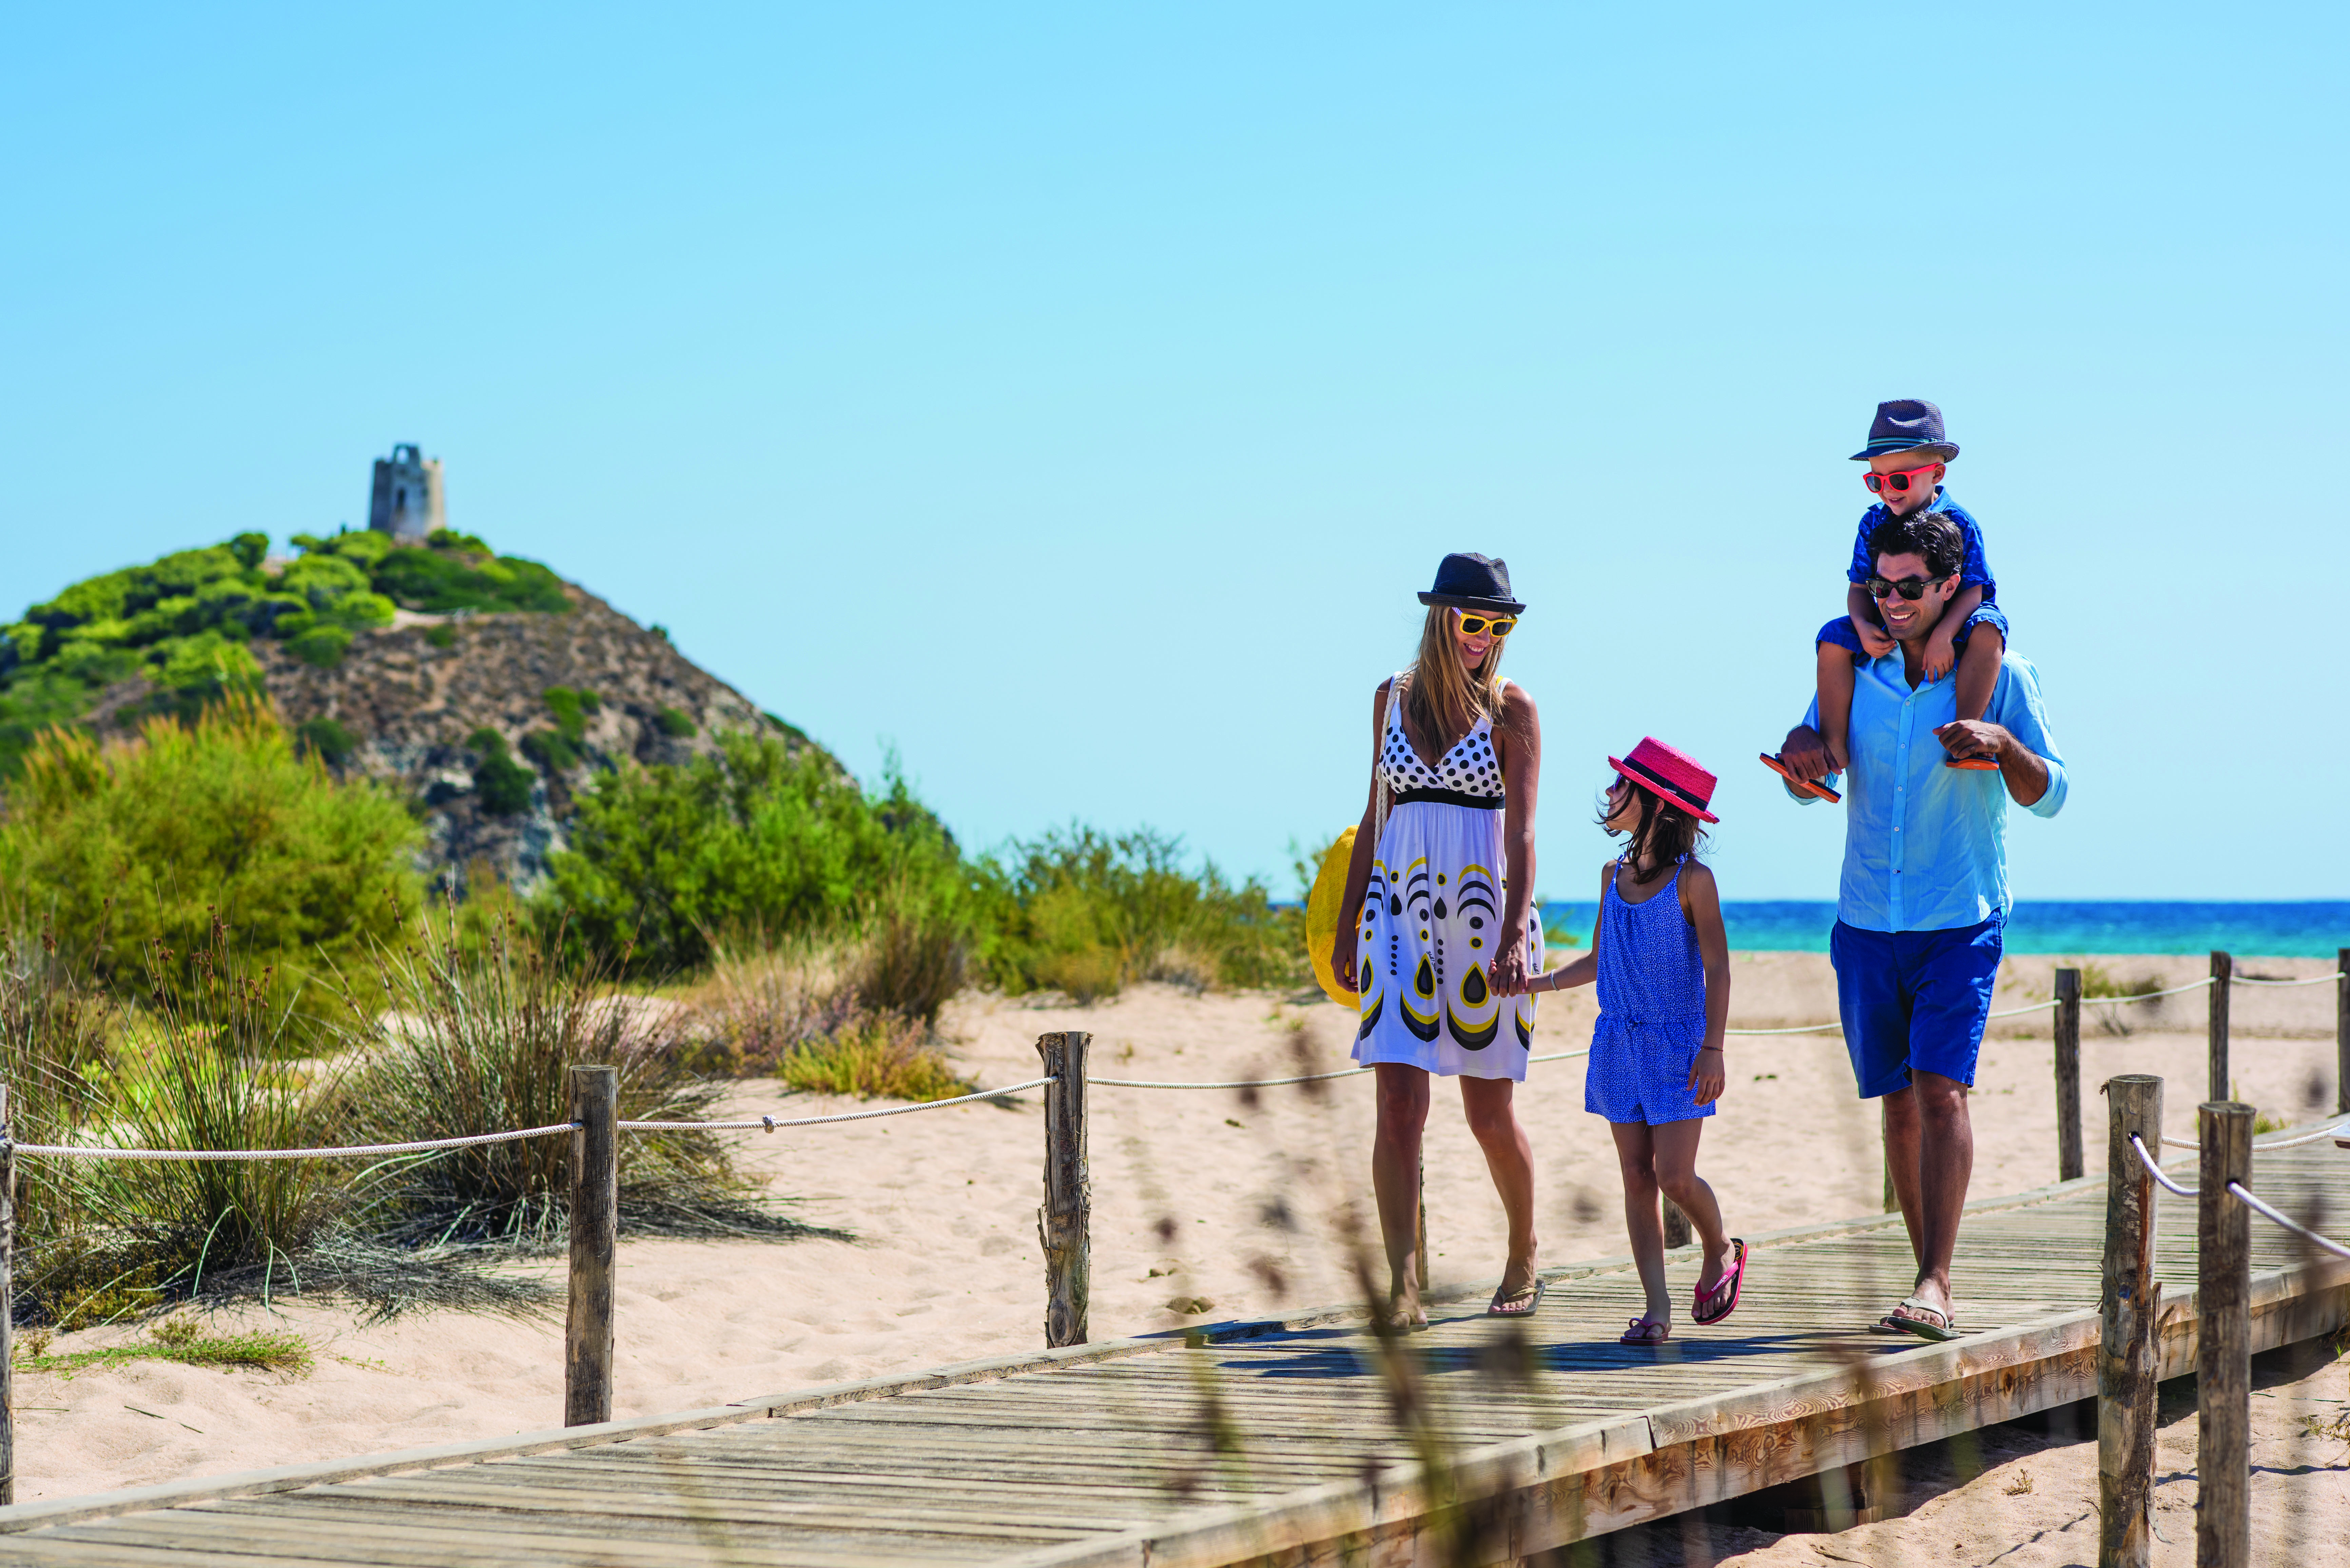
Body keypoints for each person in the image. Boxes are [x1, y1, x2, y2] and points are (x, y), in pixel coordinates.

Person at [1774, 507, 2068, 1341]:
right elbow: (1814, 775)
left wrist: (2001, 744)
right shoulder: (1853, 671)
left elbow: (2052, 793)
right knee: (1896, 1103)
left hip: (1958, 916)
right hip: (1865, 918)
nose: (1891, 600)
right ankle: (1925, 1276)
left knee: (1939, 1091)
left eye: (1909, 587)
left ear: (1948, 587)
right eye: (1879, 585)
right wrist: (1798, 762)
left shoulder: (2001, 671)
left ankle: (1935, 1280)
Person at [1330, 551, 1545, 1329]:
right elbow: (1372, 817)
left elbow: (1520, 833)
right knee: (1396, 1102)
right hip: (1396, 919)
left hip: (1485, 922)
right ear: (1439, 616)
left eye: (1497, 623)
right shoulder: (1390, 698)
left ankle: (1523, 1252)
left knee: (1487, 1112)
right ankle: (1404, 1284)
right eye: (1471, 620)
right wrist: (1349, 919)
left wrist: (1515, 935)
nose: (1483, 636)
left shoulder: (1509, 708)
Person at [1523, 739, 1744, 1346]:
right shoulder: (1609, 876)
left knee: (1674, 1175)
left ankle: (1719, 1245)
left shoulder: (1693, 881)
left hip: (1679, 1044)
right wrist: (1536, 982)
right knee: (1634, 1174)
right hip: (1617, 1042)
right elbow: (1599, 958)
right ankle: (1655, 1307)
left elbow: (1719, 968)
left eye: (1623, 785)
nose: (1611, 793)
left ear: (1656, 803)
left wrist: (1714, 1047)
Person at [1791, 399, 2009, 784]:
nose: (1886, 492)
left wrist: (1943, 635)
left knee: (1989, 629)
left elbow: (1975, 590)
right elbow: (1859, 588)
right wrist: (1860, 625)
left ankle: (1966, 736)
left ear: (1936, 472)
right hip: (1888, 615)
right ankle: (1834, 747)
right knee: (1831, 638)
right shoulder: (1873, 521)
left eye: (1898, 480)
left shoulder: (1959, 522)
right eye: (1876, 480)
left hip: (1957, 615)